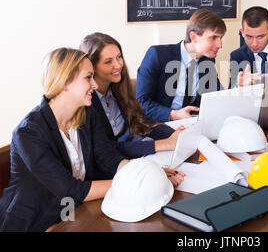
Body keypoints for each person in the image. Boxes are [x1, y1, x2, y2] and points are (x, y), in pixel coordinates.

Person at [0, 48, 183, 232]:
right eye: (88, 77)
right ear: (65, 82)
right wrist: (136, 182)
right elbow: (71, 189)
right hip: (35, 221)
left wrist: (144, 173)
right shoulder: (28, 132)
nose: (95, 85)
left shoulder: (87, 113)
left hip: (74, 211)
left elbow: (108, 157)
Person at [79, 32, 184, 160]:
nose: (118, 65)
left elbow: (140, 121)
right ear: (92, 67)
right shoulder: (86, 101)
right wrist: (163, 144)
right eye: (108, 62)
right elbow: (106, 149)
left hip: (140, 150)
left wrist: (177, 134)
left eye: (119, 57)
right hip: (120, 161)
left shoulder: (117, 88)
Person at [136, 9, 226, 122]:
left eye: (221, 38)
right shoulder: (157, 55)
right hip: (159, 123)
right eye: (213, 38)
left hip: (191, 123)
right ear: (193, 37)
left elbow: (217, 97)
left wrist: (239, 86)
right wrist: (173, 114)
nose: (220, 45)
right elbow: (141, 102)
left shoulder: (208, 61)